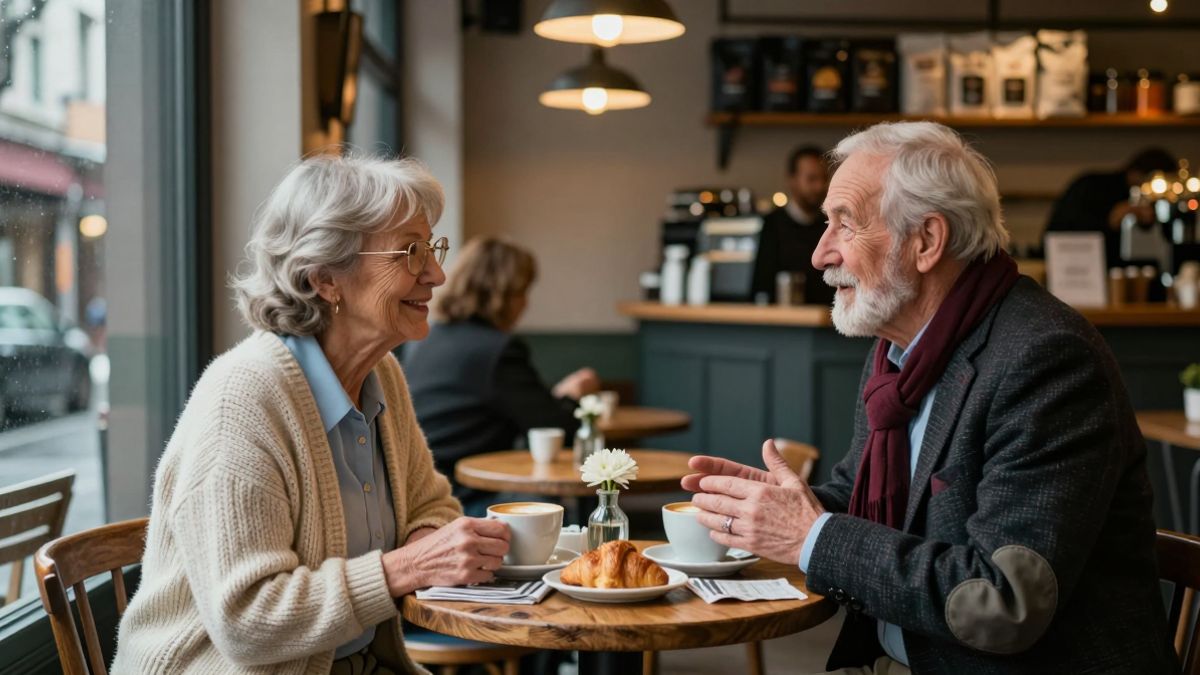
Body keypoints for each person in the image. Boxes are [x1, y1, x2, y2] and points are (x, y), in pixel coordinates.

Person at [685, 122, 1175, 674]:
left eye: (845, 225)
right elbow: (874, 495)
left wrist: (811, 535)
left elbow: (1004, 603)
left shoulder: (1046, 360)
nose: (821, 254)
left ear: (926, 241)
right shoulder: (899, 354)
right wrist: (784, 505)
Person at [112, 154, 512, 674]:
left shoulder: (381, 372)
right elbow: (246, 620)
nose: (435, 273)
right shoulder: (242, 400)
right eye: (409, 253)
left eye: (432, 248)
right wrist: (407, 567)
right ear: (325, 278)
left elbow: (430, 504)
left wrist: (426, 542)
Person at [402, 237, 600, 516]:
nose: (525, 304)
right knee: (548, 511)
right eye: (523, 292)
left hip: (418, 491)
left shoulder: (425, 338)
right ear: (504, 294)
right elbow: (557, 428)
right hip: (463, 497)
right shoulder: (496, 350)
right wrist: (571, 394)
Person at [1045, 147, 1177, 265]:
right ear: (1135, 173)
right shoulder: (1092, 187)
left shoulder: (1160, 203)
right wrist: (1111, 221)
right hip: (1079, 266)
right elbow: (1062, 231)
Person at [751, 145, 836, 305]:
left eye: (823, 178)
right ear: (792, 180)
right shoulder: (772, 224)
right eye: (811, 179)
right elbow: (761, 285)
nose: (819, 186)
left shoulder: (831, 224)